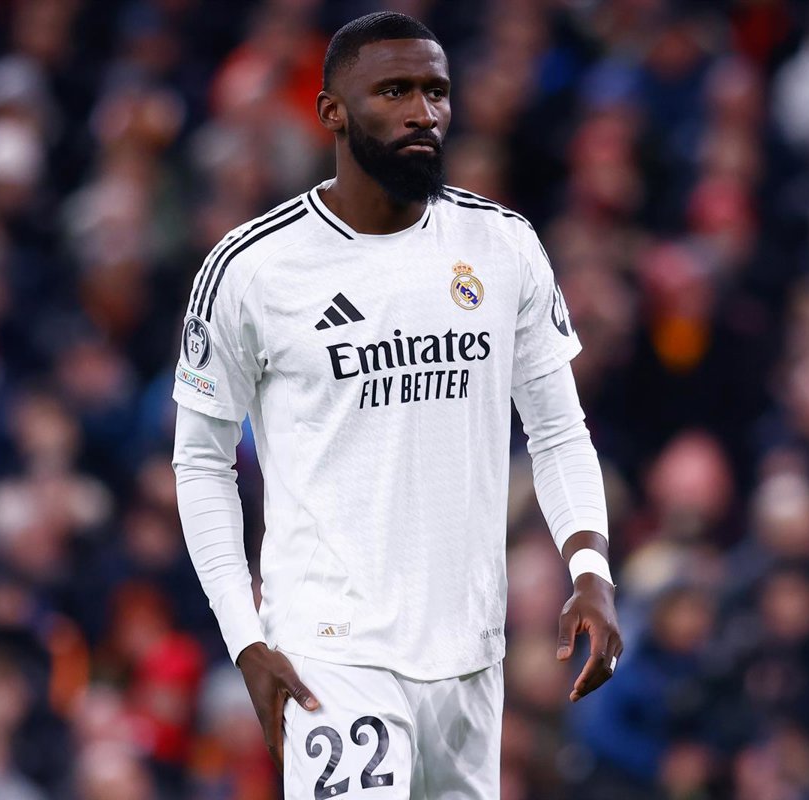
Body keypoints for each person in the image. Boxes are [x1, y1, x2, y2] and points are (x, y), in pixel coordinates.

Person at [170, 12, 621, 798]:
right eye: (395, 92)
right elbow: (200, 462)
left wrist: (590, 569)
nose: (423, 112)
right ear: (332, 112)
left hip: (471, 651)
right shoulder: (254, 268)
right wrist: (247, 640)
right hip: (332, 649)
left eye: (436, 92)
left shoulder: (503, 246)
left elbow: (557, 430)